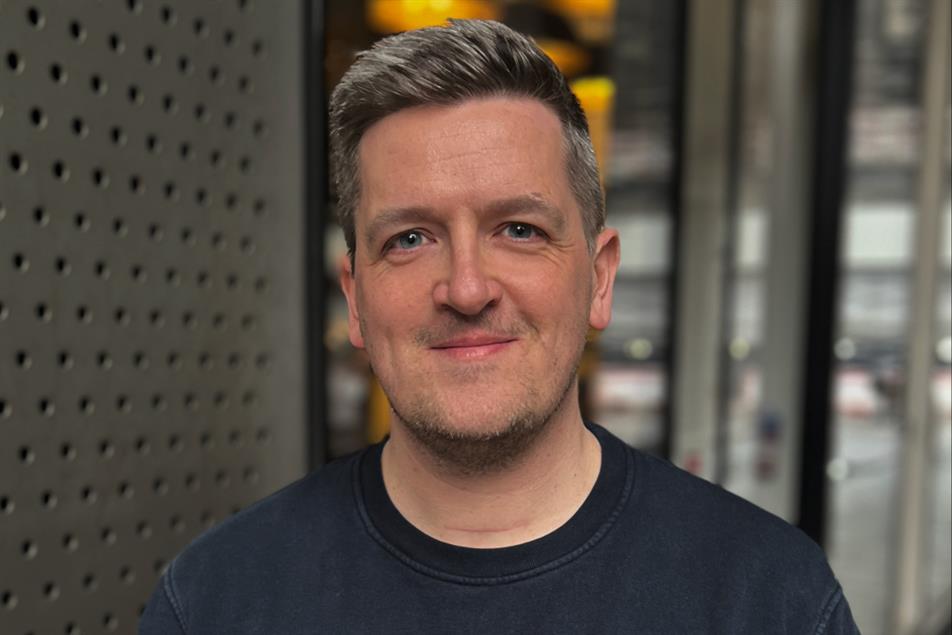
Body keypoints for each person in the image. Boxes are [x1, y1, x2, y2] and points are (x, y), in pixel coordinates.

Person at [140, 19, 859, 634]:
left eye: (518, 229)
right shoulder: (214, 602)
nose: (467, 289)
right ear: (355, 299)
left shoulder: (770, 600)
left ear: (600, 278)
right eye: (410, 239)